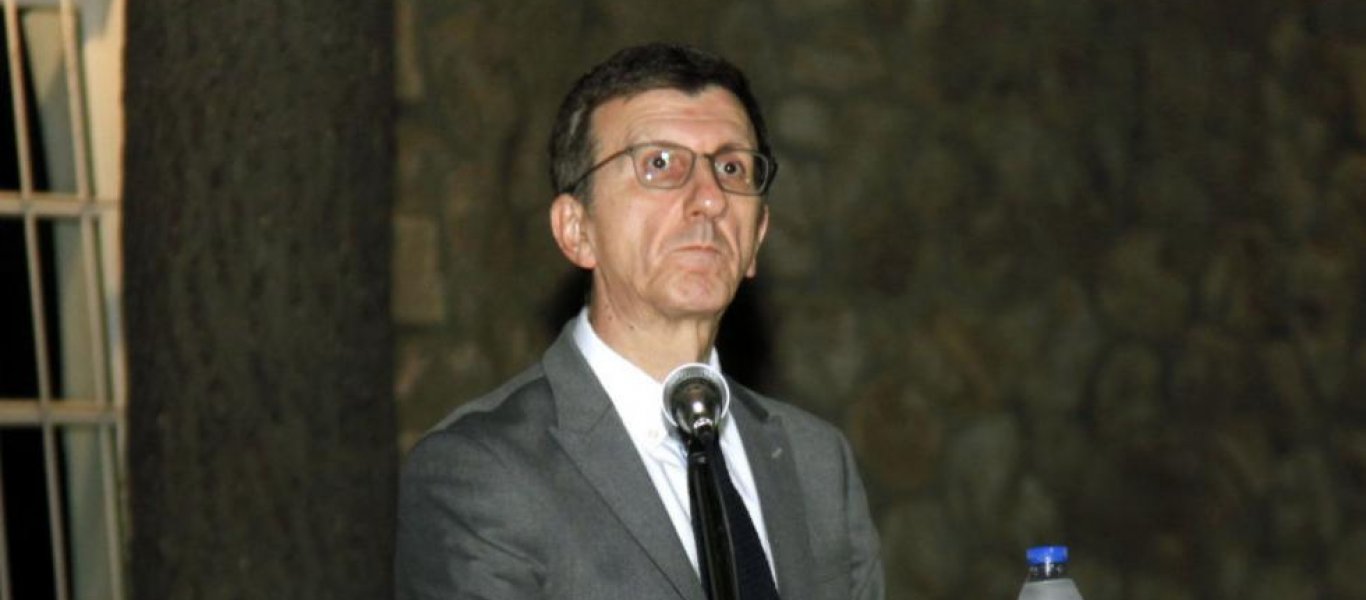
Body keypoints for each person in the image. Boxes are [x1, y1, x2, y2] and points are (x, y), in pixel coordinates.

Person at [395, 42, 884, 600]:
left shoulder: (817, 463)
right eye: (660, 164)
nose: (709, 200)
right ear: (577, 230)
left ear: (757, 237)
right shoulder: (483, 472)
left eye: (731, 167)